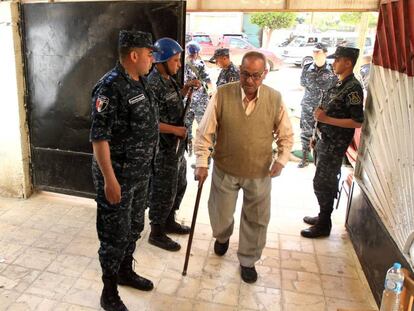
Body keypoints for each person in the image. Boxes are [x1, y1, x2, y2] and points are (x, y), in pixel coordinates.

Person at [194, 51, 293, 283]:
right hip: (225, 168)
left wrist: (281, 159)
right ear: (239, 71)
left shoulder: (275, 98)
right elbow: (205, 132)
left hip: (259, 172)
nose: (250, 81)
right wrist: (201, 162)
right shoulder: (222, 94)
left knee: (257, 219)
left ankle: (248, 260)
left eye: (256, 76)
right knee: (220, 215)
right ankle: (222, 236)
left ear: (265, 74)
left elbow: (286, 134)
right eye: (245, 74)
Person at [90, 30, 158, 311]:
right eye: (149, 53)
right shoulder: (109, 87)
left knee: (133, 228)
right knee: (113, 235)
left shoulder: (141, 82)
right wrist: (110, 180)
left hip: (140, 174)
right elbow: (99, 138)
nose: (153, 58)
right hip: (118, 176)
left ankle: (125, 271)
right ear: (134, 55)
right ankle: (109, 292)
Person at [301, 46, 364, 239]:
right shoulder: (338, 84)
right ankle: (322, 215)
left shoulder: (353, 88)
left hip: (334, 145)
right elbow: (323, 111)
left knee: (324, 183)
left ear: (348, 62)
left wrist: (327, 120)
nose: (333, 63)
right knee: (321, 181)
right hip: (323, 140)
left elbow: (357, 121)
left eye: (337, 60)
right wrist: (315, 134)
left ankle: (324, 224)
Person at [147, 38, 201, 251]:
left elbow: (174, 101)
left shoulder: (167, 78)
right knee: (162, 190)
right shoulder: (152, 84)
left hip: (176, 149)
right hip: (163, 149)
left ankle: (169, 220)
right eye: (176, 60)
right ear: (162, 60)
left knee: (178, 185)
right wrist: (175, 130)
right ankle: (156, 231)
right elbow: (150, 121)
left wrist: (186, 89)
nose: (179, 65)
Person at [298, 43, 337, 168]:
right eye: (314, 52)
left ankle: (321, 160)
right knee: (305, 133)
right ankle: (304, 158)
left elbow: (336, 88)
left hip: (325, 108)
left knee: (324, 134)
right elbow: (303, 83)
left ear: (325, 53)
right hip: (308, 105)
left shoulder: (332, 68)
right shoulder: (307, 67)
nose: (315, 54)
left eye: (318, 52)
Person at [184, 41, 213, 156]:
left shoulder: (183, 63)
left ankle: (188, 149)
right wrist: (211, 95)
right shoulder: (200, 64)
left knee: (187, 125)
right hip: (200, 101)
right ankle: (203, 154)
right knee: (203, 127)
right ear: (196, 53)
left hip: (187, 100)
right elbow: (208, 82)